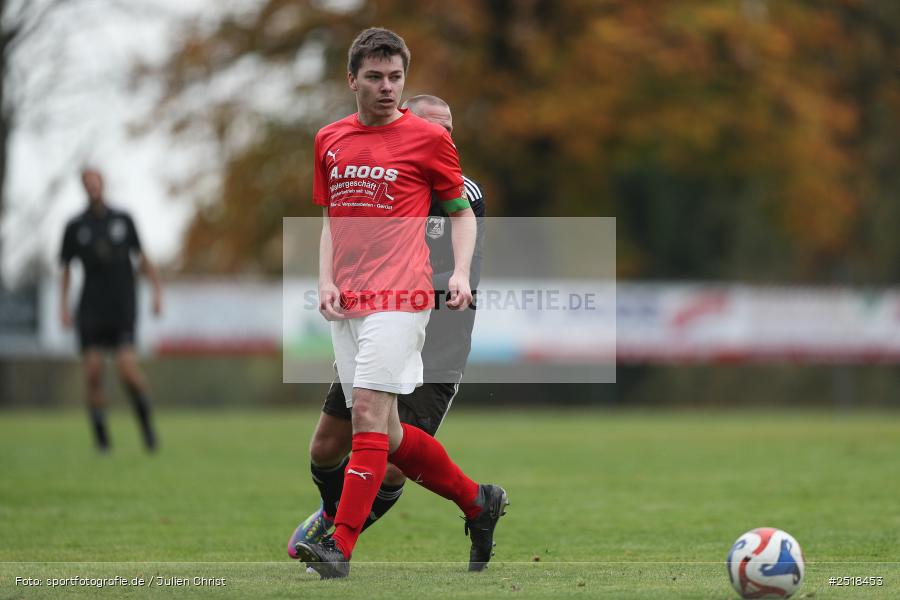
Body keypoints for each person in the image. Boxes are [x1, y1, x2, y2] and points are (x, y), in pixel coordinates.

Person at [292, 29, 507, 579]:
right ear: (353, 81)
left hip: (412, 307)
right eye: (376, 77)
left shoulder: (437, 158)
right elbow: (332, 219)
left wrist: (458, 274)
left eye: (395, 78)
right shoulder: (331, 140)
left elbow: (459, 218)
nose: (386, 87)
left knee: (371, 426)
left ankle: (339, 542)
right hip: (352, 305)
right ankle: (478, 502)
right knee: (368, 437)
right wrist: (325, 280)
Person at [60, 167, 163, 453]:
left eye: (95, 181)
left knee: (127, 370)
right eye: (87, 182)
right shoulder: (75, 226)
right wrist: (63, 307)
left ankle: (147, 430)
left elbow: (143, 258)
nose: (92, 186)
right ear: (83, 187)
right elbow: (66, 269)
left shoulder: (123, 219)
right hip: (91, 308)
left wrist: (156, 292)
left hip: (122, 306)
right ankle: (102, 440)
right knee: (92, 372)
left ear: (103, 183)